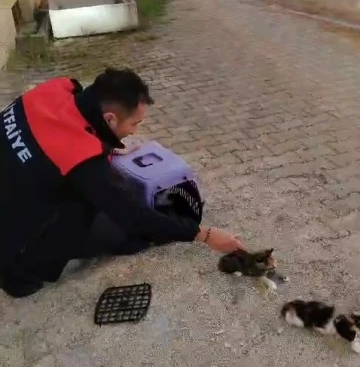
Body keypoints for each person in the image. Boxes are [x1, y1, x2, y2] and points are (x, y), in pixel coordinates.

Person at [0, 67, 244, 299]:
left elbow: (63, 134)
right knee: (127, 234)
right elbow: (133, 216)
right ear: (109, 118)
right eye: (134, 123)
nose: (134, 131)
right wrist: (205, 235)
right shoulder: (81, 160)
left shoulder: (56, 90)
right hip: (12, 234)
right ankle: (21, 272)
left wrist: (103, 148)